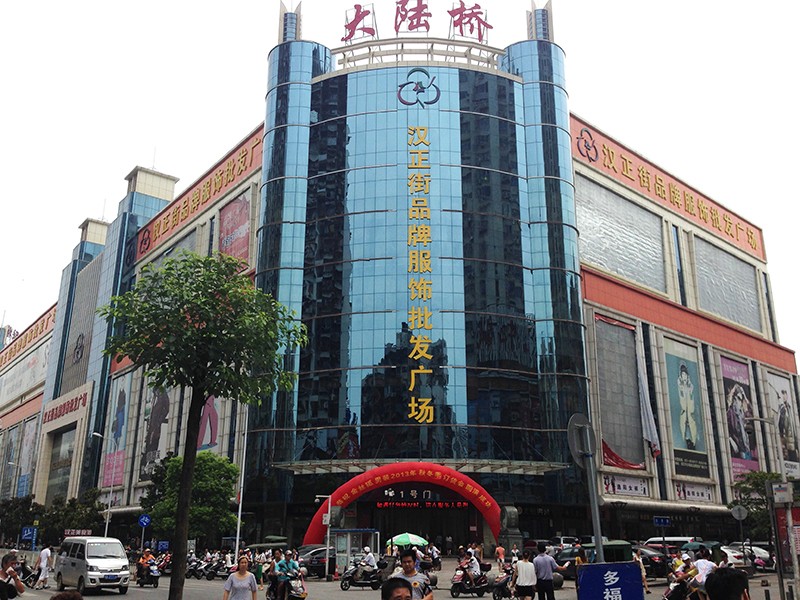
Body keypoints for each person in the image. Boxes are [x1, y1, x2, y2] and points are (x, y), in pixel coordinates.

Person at [678, 363, 698, 450]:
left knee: (692, 427)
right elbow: (681, 397)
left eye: (685, 374)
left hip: (690, 411)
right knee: (684, 428)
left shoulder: (691, 386)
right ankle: (686, 441)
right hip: (684, 411)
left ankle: (693, 442)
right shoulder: (680, 385)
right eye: (682, 374)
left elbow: (692, 398)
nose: (684, 376)